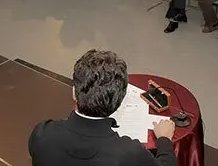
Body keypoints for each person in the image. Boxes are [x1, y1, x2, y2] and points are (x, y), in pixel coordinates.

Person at [28, 49, 176, 166]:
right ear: (119, 101)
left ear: (74, 92)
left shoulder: (42, 133)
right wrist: (164, 139)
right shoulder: (129, 152)